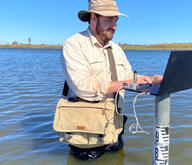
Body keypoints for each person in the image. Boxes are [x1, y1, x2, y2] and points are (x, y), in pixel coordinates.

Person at [60, 0, 163, 160]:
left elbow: (129, 78)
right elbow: (83, 87)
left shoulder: (117, 49)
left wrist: (154, 79)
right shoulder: (73, 44)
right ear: (93, 18)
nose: (114, 26)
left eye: (116, 20)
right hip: (86, 135)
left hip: (116, 130)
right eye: (109, 20)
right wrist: (125, 83)